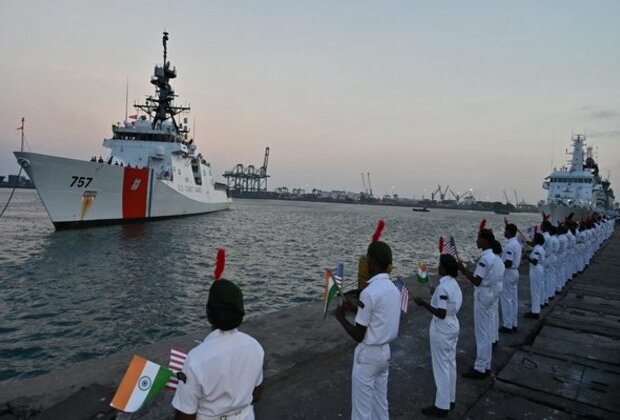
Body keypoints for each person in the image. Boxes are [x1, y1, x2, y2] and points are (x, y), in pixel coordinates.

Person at [172, 280, 264, 420]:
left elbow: (186, 414)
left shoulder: (196, 359)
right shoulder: (255, 347)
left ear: (208, 313)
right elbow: (256, 395)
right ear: (240, 314)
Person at [335, 240, 401, 420]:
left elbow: (358, 334)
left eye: (367, 259)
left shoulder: (369, 292)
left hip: (368, 356)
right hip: (385, 353)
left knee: (362, 412)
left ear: (373, 262)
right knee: (380, 406)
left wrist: (340, 317)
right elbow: (378, 316)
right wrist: (355, 309)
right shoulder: (393, 289)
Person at [414, 254, 463, 418]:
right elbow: (447, 302)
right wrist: (435, 293)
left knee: (441, 366)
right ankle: (450, 398)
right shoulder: (453, 284)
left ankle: (441, 406)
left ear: (445, 268)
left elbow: (441, 313)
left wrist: (423, 303)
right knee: (450, 363)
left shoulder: (443, 287)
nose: (438, 267)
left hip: (442, 327)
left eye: (440, 265)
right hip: (453, 323)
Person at [457, 228, 497, 379]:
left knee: (481, 333)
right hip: (489, 294)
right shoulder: (493, 257)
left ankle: (480, 367)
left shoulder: (485, 259)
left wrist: (462, 269)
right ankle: (485, 365)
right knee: (486, 332)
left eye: (479, 238)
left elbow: (476, 280)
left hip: (482, 296)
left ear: (485, 241)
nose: (477, 241)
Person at [499, 223, 522, 333]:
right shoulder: (516, 243)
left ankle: (507, 324)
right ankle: (514, 322)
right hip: (515, 272)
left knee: (506, 299)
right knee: (513, 299)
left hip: (508, 273)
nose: (504, 232)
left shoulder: (510, 245)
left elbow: (508, 262)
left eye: (505, 230)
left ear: (509, 231)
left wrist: (498, 264)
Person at [524, 233, 545, 319]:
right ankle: (535, 310)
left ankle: (535, 312)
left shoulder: (536, 249)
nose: (532, 240)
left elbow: (535, 261)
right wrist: (528, 243)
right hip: (540, 270)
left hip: (536, 270)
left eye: (533, 239)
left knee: (535, 292)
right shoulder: (540, 248)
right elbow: (533, 245)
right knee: (537, 290)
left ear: (536, 240)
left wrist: (527, 257)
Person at [490, 240, 505, 347]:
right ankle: (494, 337)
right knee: (494, 313)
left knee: (490, 315)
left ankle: (491, 339)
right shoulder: (499, 260)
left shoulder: (493, 260)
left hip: (491, 289)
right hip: (497, 287)